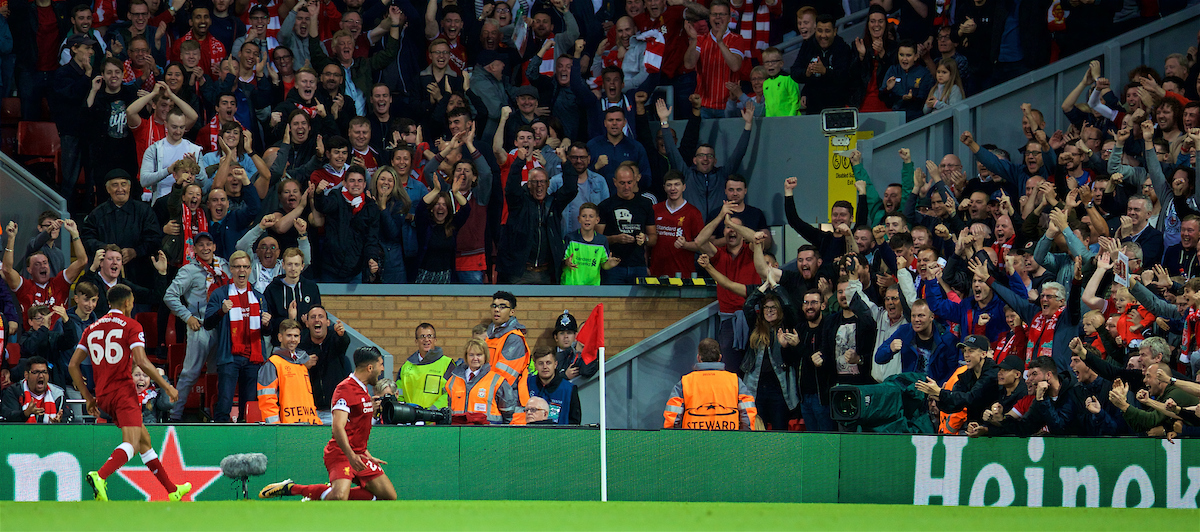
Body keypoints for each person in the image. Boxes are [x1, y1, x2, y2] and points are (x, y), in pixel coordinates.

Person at [68, 284, 189, 502]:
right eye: (132, 302)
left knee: (143, 440)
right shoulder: (132, 325)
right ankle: (100, 475)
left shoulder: (91, 328)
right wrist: (166, 385)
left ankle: (172, 490)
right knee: (132, 443)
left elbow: (72, 365)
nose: (132, 305)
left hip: (103, 396)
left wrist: (88, 397)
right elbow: (141, 361)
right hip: (123, 392)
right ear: (126, 303)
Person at [259, 347, 398, 501]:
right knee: (339, 496)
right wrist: (351, 456)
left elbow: (358, 428)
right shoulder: (345, 389)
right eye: (381, 364)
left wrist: (366, 454)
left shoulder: (363, 389)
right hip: (341, 453)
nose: (382, 369)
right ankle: (293, 488)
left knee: (388, 496)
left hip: (360, 455)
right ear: (370, 368)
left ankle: (324, 492)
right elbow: (338, 427)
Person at [163, 231, 228, 422]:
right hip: (200, 326)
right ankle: (175, 416)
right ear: (195, 248)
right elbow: (169, 296)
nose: (206, 248)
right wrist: (187, 316)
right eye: (201, 245)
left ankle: (210, 410)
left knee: (217, 373)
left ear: (214, 246)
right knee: (190, 373)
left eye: (209, 244)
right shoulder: (189, 270)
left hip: (222, 326)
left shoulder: (223, 266)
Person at [204, 251, 273, 423]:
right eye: (237, 267)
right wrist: (221, 311)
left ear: (250, 270)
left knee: (249, 404)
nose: (241, 271)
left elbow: (266, 332)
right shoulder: (220, 295)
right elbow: (207, 324)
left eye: (245, 267)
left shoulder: (258, 297)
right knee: (225, 402)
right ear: (231, 270)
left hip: (253, 358)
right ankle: (221, 438)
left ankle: (246, 439)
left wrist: (267, 324)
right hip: (229, 357)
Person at [656, 99, 751, 220]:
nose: (705, 158)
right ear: (694, 160)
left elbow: (739, 153)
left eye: (709, 156)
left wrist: (748, 125)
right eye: (701, 155)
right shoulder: (687, 174)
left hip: (718, 230)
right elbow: (671, 151)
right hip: (694, 230)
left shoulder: (722, 175)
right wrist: (664, 121)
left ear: (715, 161)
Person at [2, 219, 88, 328]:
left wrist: (74, 233)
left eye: (45, 263)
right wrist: (11, 238)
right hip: (33, 339)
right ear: (29, 270)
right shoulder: (24, 286)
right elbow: (7, 269)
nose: (43, 266)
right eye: (37, 264)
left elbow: (82, 261)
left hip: (59, 338)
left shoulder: (60, 282)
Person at [663, 338, 757, 430]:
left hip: (693, 441)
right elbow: (747, 412)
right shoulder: (735, 381)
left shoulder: (685, 382)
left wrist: (674, 439)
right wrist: (744, 436)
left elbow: (673, 416)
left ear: (698, 358)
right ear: (720, 358)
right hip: (728, 441)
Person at [314, 165, 383, 283]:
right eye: (352, 180)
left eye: (360, 181)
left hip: (356, 269)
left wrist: (372, 258)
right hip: (330, 267)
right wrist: (319, 193)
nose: (356, 184)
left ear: (365, 184)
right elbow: (323, 205)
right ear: (345, 183)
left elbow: (372, 239)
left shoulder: (371, 207)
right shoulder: (336, 197)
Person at [915, 334, 1000, 428]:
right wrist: (938, 397)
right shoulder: (967, 375)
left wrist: (941, 393)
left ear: (983, 354)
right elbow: (955, 406)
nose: (966, 355)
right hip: (974, 428)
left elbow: (971, 398)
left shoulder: (993, 373)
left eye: (971, 351)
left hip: (998, 430)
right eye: (965, 351)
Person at [683, 0, 748, 119]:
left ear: (729, 18)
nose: (718, 17)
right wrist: (693, 39)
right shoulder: (701, 39)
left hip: (728, 106)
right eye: (714, 14)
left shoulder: (736, 39)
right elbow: (688, 64)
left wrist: (720, 42)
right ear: (710, 17)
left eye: (722, 14)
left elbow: (735, 66)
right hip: (703, 106)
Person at [874, 299, 961, 385]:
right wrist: (890, 349)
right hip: (910, 389)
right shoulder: (904, 331)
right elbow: (878, 358)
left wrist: (939, 392)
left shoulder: (948, 340)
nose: (916, 319)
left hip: (935, 391)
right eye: (913, 316)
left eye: (921, 316)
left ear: (932, 317)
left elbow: (953, 372)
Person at [596, 163, 656, 284]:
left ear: (635, 181)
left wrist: (645, 239)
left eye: (629, 182)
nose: (626, 187)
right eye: (622, 183)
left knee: (639, 303)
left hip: (638, 265)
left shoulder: (645, 204)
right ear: (615, 182)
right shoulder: (605, 206)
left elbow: (653, 238)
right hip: (613, 266)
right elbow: (597, 240)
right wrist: (615, 239)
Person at [257, 319, 321, 424]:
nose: (293, 339)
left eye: (296, 336)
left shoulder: (302, 364)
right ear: (280, 337)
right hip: (286, 428)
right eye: (289, 335)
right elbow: (267, 400)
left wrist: (316, 423)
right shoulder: (272, 364)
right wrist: (275, 428)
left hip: (309, 426)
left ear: (300, 338)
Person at [446, 338, 519, 424]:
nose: (475, 358)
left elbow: (508, 412)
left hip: (488, 432)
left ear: (485, 356)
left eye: (479, 355)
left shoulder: (497, 381)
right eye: (471, 355)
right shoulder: (453, 380)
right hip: (459, 431)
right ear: (466, 356)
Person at [298, 306, 350, 424]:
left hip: (334, 410)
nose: (317, 320)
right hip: (308, 410)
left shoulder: (335, 339)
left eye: (320, 316)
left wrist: (342, 335)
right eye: (313, 317)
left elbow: (343, 343)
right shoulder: (301, 346)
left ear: (327, 322)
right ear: (307, 323)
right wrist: (303, 367)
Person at [791, 15, 852, 113]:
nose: (823, 35)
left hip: (836, 107)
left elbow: (845, 77)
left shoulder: (843, 48)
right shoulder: (808, 45)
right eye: (819, 31)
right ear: (815, 30)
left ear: (835, 31)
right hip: (813, 108)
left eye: (827, 31)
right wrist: (806, 73)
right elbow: (794, 71)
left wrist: (825, 71)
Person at [648, 171, 704, 278]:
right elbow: (647, 242)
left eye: (677, 184)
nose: (673, 188)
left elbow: (701, 244)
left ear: (684, 187)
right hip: (656, 273)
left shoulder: (693, 213)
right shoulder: (655, 210)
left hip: (684, 273)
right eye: (669, 185)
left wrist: (686, 245)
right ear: (664, 187)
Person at [263, 248, 321, 344]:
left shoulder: (311, 288)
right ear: (283, 265)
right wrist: (289, 318)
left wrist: (309, 321)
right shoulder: (272, 289)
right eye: (289, 264)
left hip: (307, 343)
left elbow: (318, 316)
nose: (293, 268)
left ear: (302, 266)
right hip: (281, 345)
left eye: (296, 264)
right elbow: (269, 324)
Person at [395, 323, 456, 409]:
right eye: (422, 336)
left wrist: (432, 411)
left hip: (436, 418)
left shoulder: (447, 364)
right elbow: (399, 394)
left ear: (435, 340)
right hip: (411, 419)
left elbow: (452, 392)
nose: (426, 339)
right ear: (416, 341)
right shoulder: (406, 366)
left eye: (430, 336)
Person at [0, 356, 73, 423]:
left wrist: (60, 423)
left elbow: (69, 418)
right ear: (26, 375)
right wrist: (25, 414)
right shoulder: (14, 391)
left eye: (44, 372)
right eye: (36, 372)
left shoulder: (58, 394)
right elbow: (7, 417)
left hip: (50, 435)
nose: (41, 376)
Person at [562, 203, 620, 286]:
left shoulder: (602, 241)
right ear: (579, 219)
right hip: (571, 286)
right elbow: (562, 261)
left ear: (597, 220)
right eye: (584, 216)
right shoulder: (570, 238)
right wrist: (566, 262)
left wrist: (609, 264)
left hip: (593, 287)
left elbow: (604, 265)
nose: (587, 219)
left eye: (591, 216)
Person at [518, 349, 581, 425]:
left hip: (560, 435)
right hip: (530, 434)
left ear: (555, 364)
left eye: (548, 363)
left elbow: (575, 422)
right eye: (541, 363)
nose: (545, 367)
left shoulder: (569, 389)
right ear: (535, 365)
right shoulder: (526, 384)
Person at [485, 291, 532, 392]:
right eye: (494, 306)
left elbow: (504, 376)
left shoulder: (514, 338)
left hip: (504, 398)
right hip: (485, 392)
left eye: (502, 307)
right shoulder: (487, 335)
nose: (497, 310)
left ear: (512, 312)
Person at [551, 311, 597, 379]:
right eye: (562, 333)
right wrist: (565, 375)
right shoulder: (553, 356)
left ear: (575, 336)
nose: (566, 336)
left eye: (569, 333)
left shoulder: (596, 355)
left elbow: (585, 371)